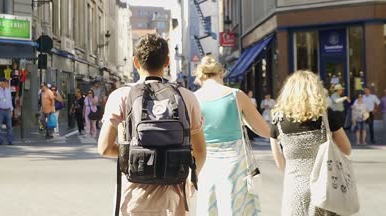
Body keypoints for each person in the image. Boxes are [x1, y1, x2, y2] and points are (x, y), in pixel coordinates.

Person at [97, 34, 207, 215]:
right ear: (167, 62)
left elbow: (104, 148)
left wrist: (137, 153)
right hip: (174, 198)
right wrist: (188, 180)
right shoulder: (186, 96)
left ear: (135, 62)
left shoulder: (121, 96)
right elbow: (200, 151)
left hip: (134, 198)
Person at [193, 56, 270, 215]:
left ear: (200, 78)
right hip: (234, 162)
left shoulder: (194, 99)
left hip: (205, 162)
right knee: (233, 207)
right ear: (221, 73)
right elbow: (263, 129)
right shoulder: (235, 95)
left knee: (209, 207)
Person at [270, 70, 351, 216]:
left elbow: (280, 164)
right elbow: (346, 149)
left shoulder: (277, 120)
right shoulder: (325, 115)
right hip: (324, 189)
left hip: (294, 190)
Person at [0, 78, 14, 145]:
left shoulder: (8, 91)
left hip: (8, 110)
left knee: (9, 126)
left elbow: (10, 101)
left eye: (6, 82)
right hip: (0, 110)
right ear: (0, 83)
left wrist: (11, 110)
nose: (5, 84)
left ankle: (10, 141)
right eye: (4, 82)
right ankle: (0, 140)